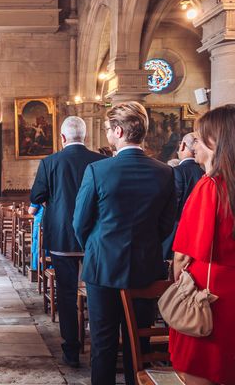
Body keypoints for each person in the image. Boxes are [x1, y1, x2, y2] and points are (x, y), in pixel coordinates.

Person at [73, 102, 176, 385]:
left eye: (108, 129)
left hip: (103, 267)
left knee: (103, 345)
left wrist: (96, 246)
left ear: (118, 131)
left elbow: (80, 222)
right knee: (138, 344)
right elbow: (167, 224)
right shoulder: (165, 172)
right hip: (145, 268)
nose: (108, 133)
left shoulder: (98, 170)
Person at [30, 116, 106, 368]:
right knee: (97, 292)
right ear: (84, 136)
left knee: (66, 293)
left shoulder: (50, 162)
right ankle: (100, 346)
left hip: (62, 236)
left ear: (62, 138)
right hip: (94, 238)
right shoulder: (101, 161)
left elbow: (37, 195)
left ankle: (71, 350)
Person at [169, 105, 235, 385]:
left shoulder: (210, 187)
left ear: (217, 141)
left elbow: (183, 255)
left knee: (199, 372)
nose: (193, 144)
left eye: (200, 137)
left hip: (211, 299)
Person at [161, 132, 205, 260]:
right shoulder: (205, 171)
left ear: (183, 145)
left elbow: (173, 206)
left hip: (177, 233)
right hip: (200, 233)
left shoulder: (177, 172)